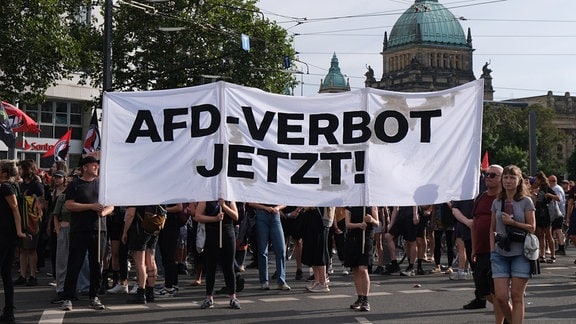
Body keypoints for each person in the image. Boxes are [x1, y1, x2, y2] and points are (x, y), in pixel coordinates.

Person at [60, 156, 114, 311]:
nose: (96, 167)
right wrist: (91, 206)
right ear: (84, 167)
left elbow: (112, 205)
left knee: (96, 264)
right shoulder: (75, 184)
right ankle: (68, 297)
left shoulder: (102, 184)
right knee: (74, 263)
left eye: (97, 165)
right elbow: (69, 205)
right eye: (93, 165)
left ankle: (94, 296)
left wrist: (104, 212)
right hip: (79, 229)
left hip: (99, 229)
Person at [491, 165, 535, 324]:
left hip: (521, 253)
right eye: (506, 177)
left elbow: (532, 228)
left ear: (519, 181)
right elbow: (492, 228)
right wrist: (491, 250)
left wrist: (513, 222)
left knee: (517, 296)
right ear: (502, 180)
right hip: (500, 252)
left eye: (512, 177)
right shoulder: (497, 202)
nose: (508, 181)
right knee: (501, 297)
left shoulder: (526, 201)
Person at [463, 164, 502, 311]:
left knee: (497, 291)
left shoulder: (503, 199)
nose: (488, 177)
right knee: (482, 289)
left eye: (493, 175)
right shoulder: (481, 196)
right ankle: (507, 314)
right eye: (486, 174)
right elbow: (475, 223)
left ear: (501, 179)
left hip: (497, 250)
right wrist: (473, 248)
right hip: (480, 249)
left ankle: (507, 317)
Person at [196, 200, 241, 309]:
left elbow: (235, 216)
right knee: (211, 267)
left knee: (229, 267)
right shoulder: (206, 198)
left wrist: (224, 206)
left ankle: (233, 297)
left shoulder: (229, 198)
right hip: (212, 233)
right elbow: (198, 216)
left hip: (228, 233)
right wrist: (214, 219)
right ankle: (209, 297)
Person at [0, 160, 28, 323]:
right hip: (8, 235)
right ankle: (9, 312)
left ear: (4, 172)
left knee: (5, 273)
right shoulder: (12, 186)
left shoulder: (6, 187)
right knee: (5, 273)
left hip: (6, 235)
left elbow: (15, 209)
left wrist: (19, 231)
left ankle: (9, 311)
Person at [122, 205, 162, 304]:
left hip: (139, 228)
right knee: (151, 259)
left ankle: (141, 292)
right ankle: (150, 292)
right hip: (154, 226)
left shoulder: (136, 193)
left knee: (140, 263)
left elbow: (131, 214)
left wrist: (125, 232)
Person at [13, 159, 44, 287]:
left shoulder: (36, 184)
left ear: (27, 170)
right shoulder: (21, 185)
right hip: (21, 219)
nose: (19, 172)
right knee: (22, 249)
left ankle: (32, 275)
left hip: (32, 221)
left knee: (31, 249)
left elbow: (42, 202)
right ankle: (22, 275)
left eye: (21, 169)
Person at [248, 202, 291, 291]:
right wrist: (264, 208)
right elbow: (251, 203)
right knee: (263, 251)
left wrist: (278, 208)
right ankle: (264, 281)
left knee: (281, 249)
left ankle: (281, 281)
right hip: (261, 215)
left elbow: (285, 201)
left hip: (275, 215)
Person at [345, 206, 378, 311]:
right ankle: (359, 297)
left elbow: (377, 223)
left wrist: (371, 219)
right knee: (355, 270)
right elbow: (347, 224)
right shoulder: (350, 205)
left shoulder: (371, 205)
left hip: (366, 238)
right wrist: (359, 225)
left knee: (363, 269)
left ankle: (366, 299)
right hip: (353, 239)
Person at [49, 170, 72, 304]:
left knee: (74, 262)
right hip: (63, 229)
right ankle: (61, 290)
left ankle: (72, 289)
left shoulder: (80, 197)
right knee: (62, 262)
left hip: (76, 231)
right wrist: (57, 230)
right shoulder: (62, 197)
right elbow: (55, 215)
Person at [301, 207, 334, 293]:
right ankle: (317, 281)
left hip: (321, 219)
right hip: (314, 217)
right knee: (313, 251)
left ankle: (323, 283)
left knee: (320, 251)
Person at [155, 203, 184, 298]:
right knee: (166, 257)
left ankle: (169, 287)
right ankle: (172, 284)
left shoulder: (174, 193)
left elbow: (179, 207)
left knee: (169, 257)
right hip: (165, 225)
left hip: (171, 226)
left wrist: (164, 210)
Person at [531, 171, 559, 263]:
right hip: (539, 213)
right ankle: (542, 255)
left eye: (536, 179)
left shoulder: (546, 188)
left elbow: (558, 197)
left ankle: (552, 255)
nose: (535, 181)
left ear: (540, 179)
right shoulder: (539, 189)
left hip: (545, 214)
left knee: (548, 235)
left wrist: (549, 195)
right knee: (540, 235)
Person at [383, 206, 420, 276]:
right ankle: (394, 264)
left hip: (410, 214)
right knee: (388, 236)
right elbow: (395, 207)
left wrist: (415, 214)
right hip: (401, 216)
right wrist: (391, 224)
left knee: (411, 241)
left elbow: (414, 201)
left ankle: (411, 267)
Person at [430, 203, 456, 275]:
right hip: (438, 221)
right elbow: (434, 208)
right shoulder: (438, 196)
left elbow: (454, 208)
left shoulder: (451, 195)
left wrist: (448, 203)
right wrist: (432, 220)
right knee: (437, 244)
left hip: (449, 221)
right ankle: (437, 265)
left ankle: (450, 266)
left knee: (450, 245)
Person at [548, 175, 567, 256]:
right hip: (559, 213)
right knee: (557, 230)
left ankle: (561, 248)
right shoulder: (558, 188)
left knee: (558, 231)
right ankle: (560, 247)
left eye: (548, 181)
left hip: (557, 213)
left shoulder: (556, 189)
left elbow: (559, 200)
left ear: (552, 181)